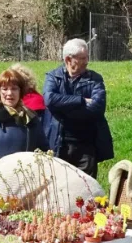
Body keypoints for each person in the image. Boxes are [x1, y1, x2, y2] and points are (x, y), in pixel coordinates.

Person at [43, 38, 113, 179]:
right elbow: (49, 99)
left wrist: (62, 108)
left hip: (85, 147)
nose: (87, 61)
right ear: (69, 59)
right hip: (58, 144)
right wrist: (81, 100)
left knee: (87, 189)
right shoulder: (53, 77)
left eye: (87, 56)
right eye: (82, 58)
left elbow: (97, 108)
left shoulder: (95, 79)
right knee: (59, 188)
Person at [0, 68, 48, 159]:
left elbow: (44, 149)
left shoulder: (31, 117)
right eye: (5, 89)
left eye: (14, 89)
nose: (9, 93)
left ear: (20, 91)